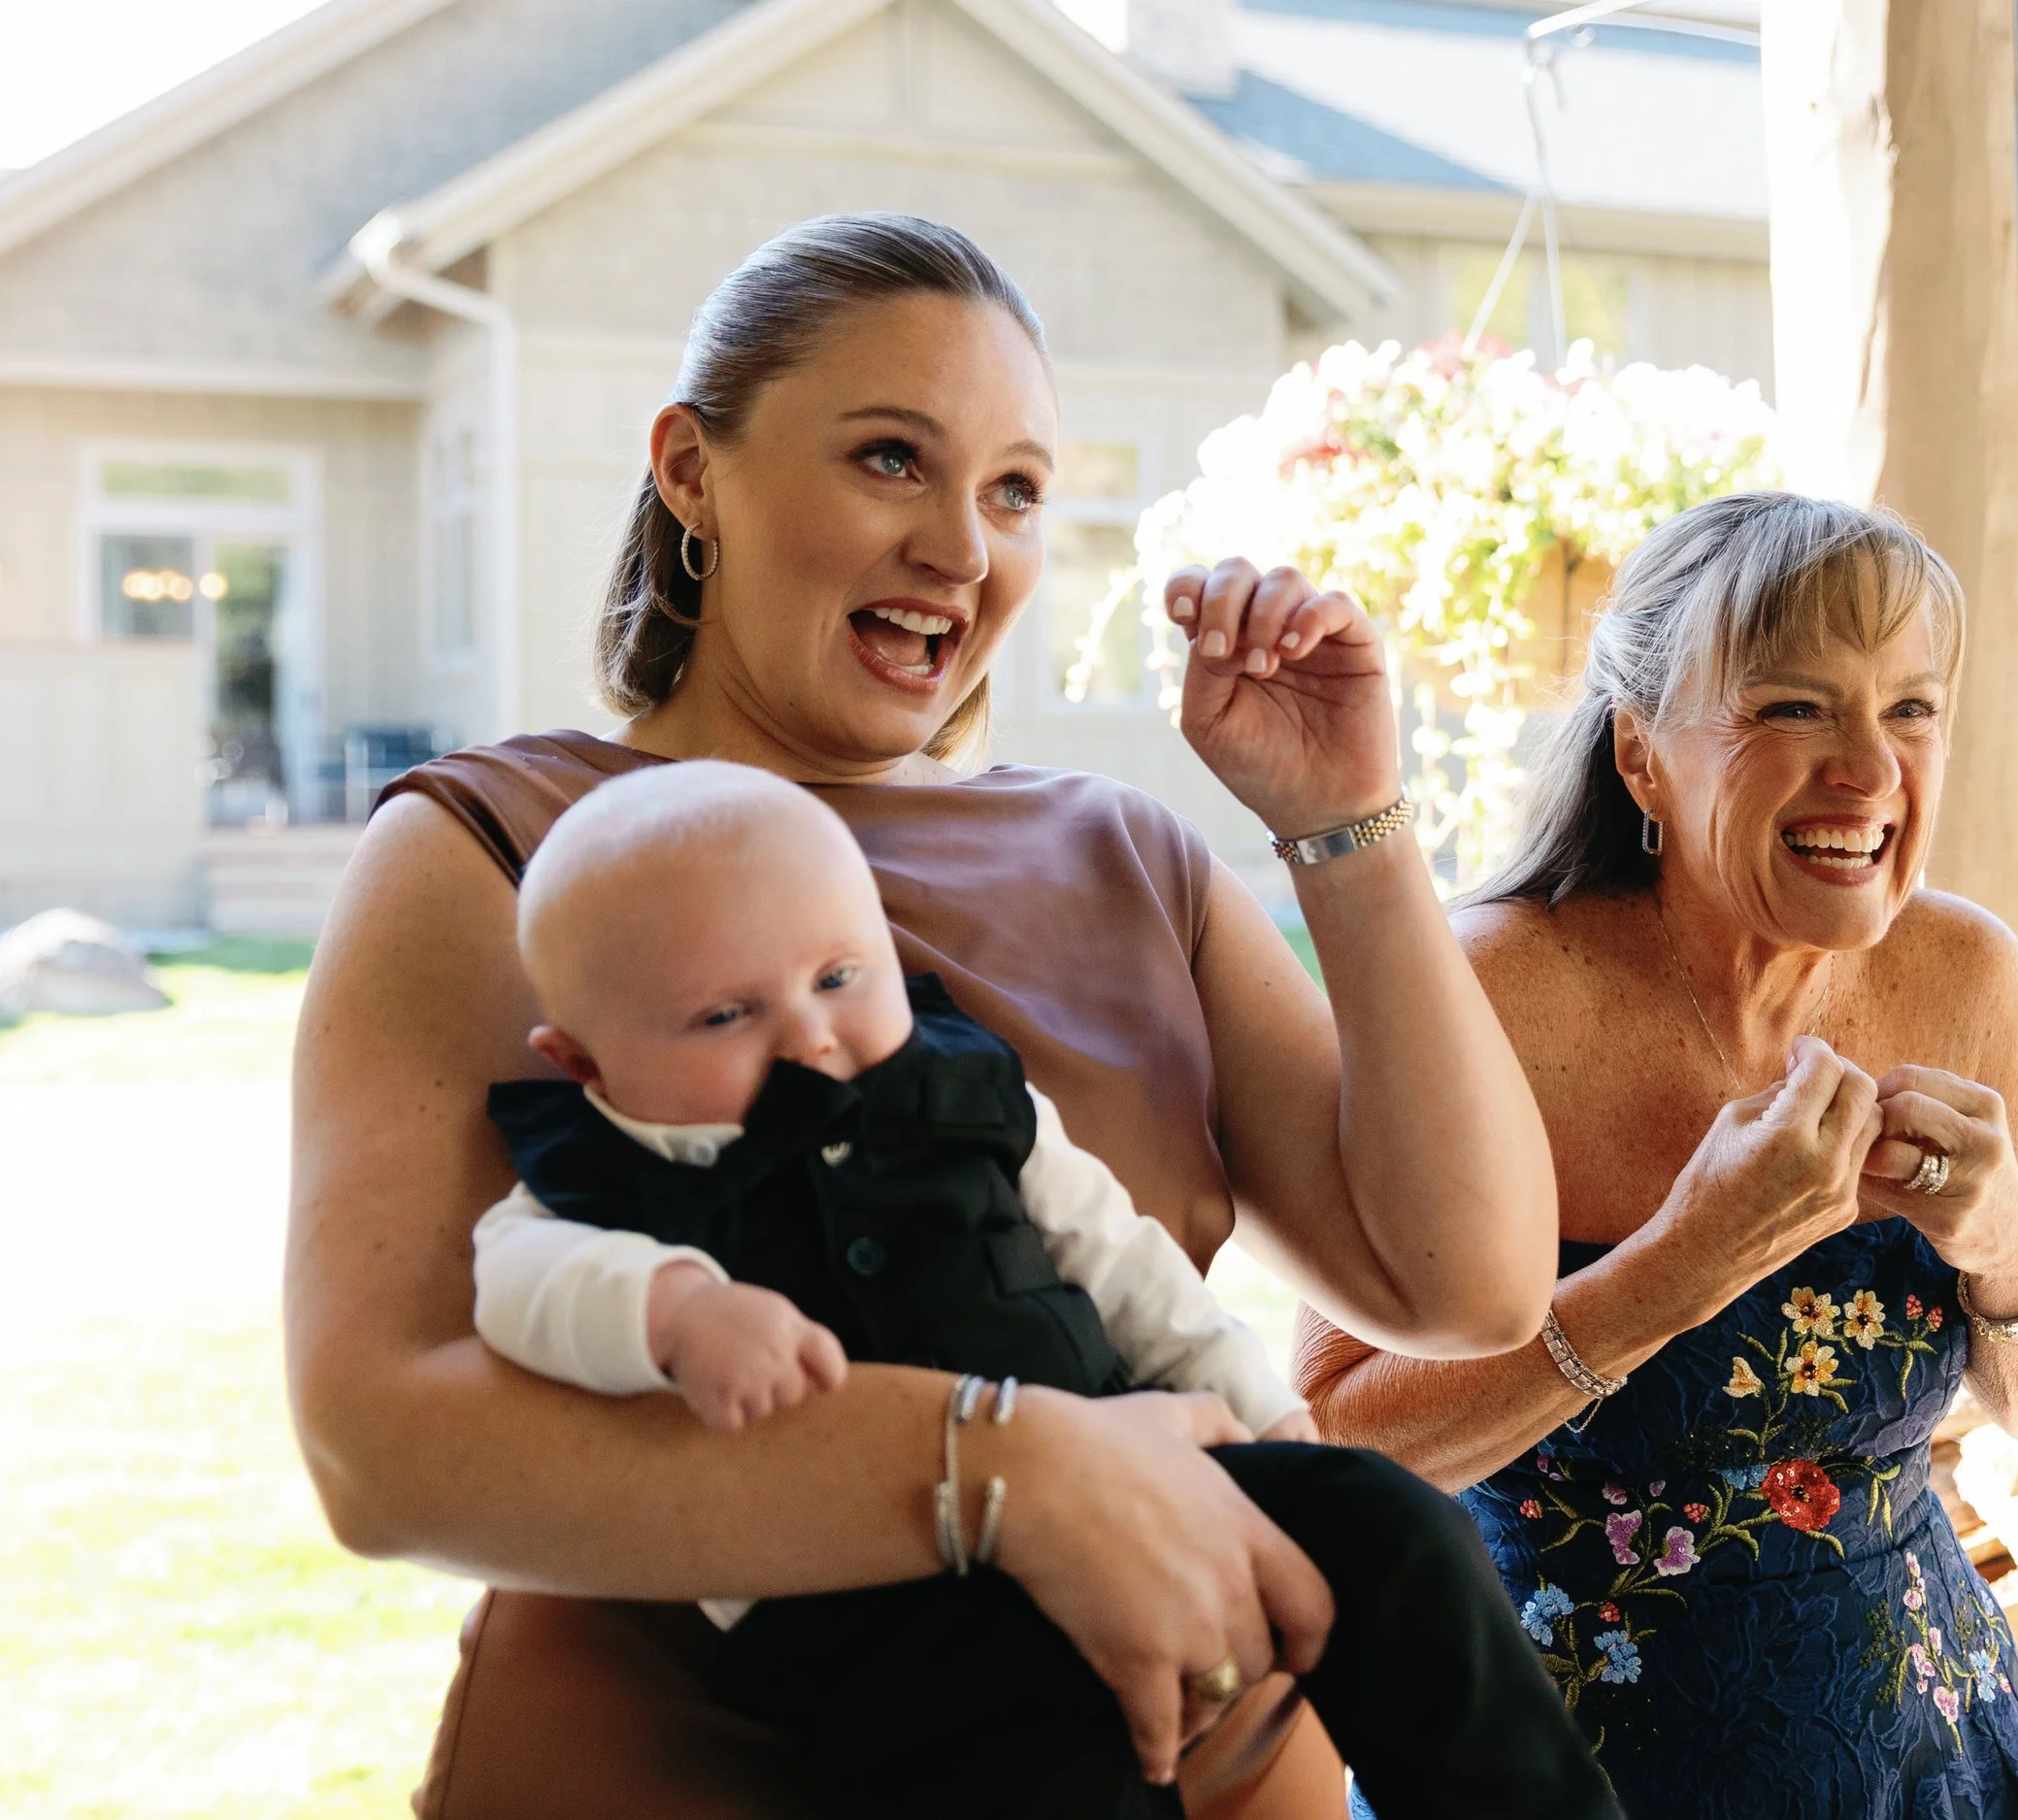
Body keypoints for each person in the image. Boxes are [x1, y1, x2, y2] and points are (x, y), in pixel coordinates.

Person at [284, 211, 1563, 1820]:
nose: (965, 547)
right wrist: (999, 1467)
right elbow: (380, 1447)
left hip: (1236, 1757)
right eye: (893, 458)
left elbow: (1469, 1282)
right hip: (715, 1771)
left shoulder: (1121, 857)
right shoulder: (498, 847)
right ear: (692, 470)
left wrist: (1350, 824)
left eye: (1016, 489)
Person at [465, 759, 1616, 1820]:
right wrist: (671, 1311)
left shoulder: (961, 1090)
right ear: (582, 1060)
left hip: (1154, 1471)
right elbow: (518, 1280)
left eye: (836, 976)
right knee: (1042, 1765)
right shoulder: (607, 1180)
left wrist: (1258, 1413)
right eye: (726, 1015)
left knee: (1391, 1525)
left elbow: (1115, 1257)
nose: (810, 1037)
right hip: (875, 1605)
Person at [1297, 492, 2018, 1820]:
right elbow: (1335, 1439)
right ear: (1640, 756)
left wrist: (2007, 1238)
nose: (1868, 768)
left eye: (1911, 709)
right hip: (1545, 1763)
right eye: (1793, 706)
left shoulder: (1962, 969)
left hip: (1918, 1756)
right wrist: (1685, 1261)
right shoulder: (1488, 991)